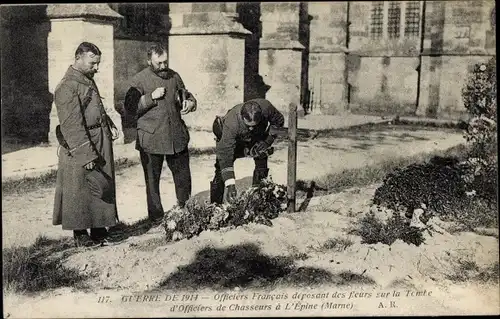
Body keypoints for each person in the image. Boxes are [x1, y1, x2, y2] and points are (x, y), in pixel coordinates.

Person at [53, 42, 119, 247]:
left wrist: (108, 122)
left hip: (99, 139)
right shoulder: (67, 86)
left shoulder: (86, 79)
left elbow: (94, 107)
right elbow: (71, 124)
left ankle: (99, 228)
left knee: (100, 185)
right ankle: (80, 233)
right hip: (81, 144)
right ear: (78, 58)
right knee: (79, 188)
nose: (96, 68)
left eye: (98, 63)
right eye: (93, 63)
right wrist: (86, 154)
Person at [124, 43, 197, 224]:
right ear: (149, 61)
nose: (164, 66)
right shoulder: (138, 80)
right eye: (159, 63)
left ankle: (184, 209)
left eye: (165, 62)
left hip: (176, 137)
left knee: (183, 177)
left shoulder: (174, 76)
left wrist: (190, 102)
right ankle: (156, 218)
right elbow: (129, 108)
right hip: (151, 138)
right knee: (152, 181)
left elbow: (185, 94)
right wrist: (150, 97)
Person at [210, 98, 285, 204]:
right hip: (235, 141)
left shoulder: (266, 107)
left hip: (256, 138)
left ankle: (259, 199)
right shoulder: (231, 124)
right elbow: (225, 156)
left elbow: (278, 121)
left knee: (261, 157)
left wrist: (267, 141)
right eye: (248, 126)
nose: (251, 128)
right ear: (242, 116)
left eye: (254, 125)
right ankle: (215, 206)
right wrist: (230, 185)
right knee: (220, 168)